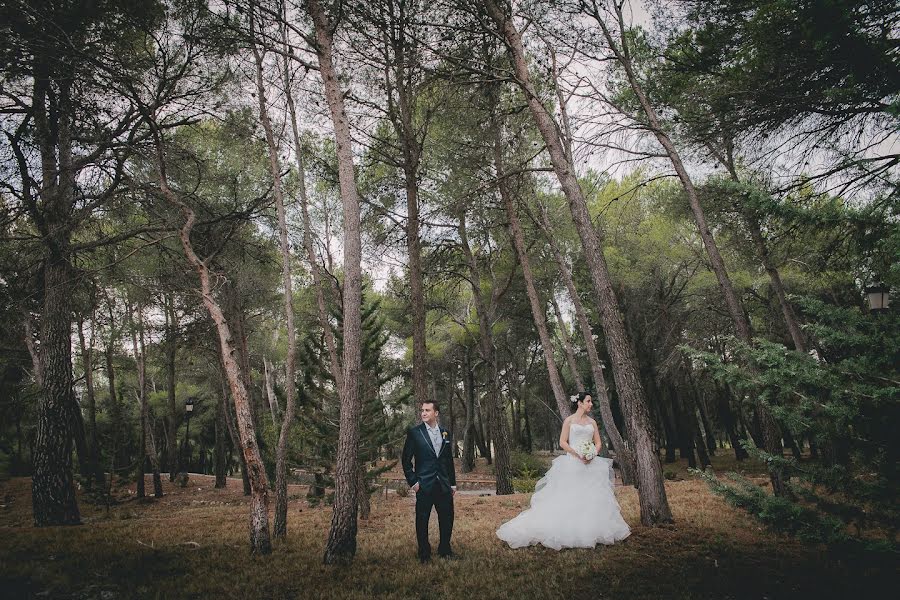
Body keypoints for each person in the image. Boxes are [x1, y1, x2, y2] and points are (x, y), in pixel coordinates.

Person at [496, 392, 630, 550]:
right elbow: (562, 442)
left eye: (591, 401)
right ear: (579, 403)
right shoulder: (569, 421)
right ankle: (568, 529)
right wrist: (578, 454)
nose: (591, 404)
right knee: (570, 496)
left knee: (592, 497)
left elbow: (598, 442)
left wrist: (593, 453)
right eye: (588, 401)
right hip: (573, 462)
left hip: (591, 463)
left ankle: (591, 529)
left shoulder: (592, 422)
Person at [401, 400, 457, 563]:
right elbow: (406, 460)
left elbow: (448, 460)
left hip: (444, 485)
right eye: (422, 410)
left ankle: (445, 550)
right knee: (422, 519)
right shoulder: (415, 433)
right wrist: (414, 482)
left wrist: (452, 483)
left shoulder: (445, 432)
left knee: (447, 518)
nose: (423, 413)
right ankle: (424, 553)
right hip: (424, 484)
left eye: (427, 410)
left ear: (436, 413)